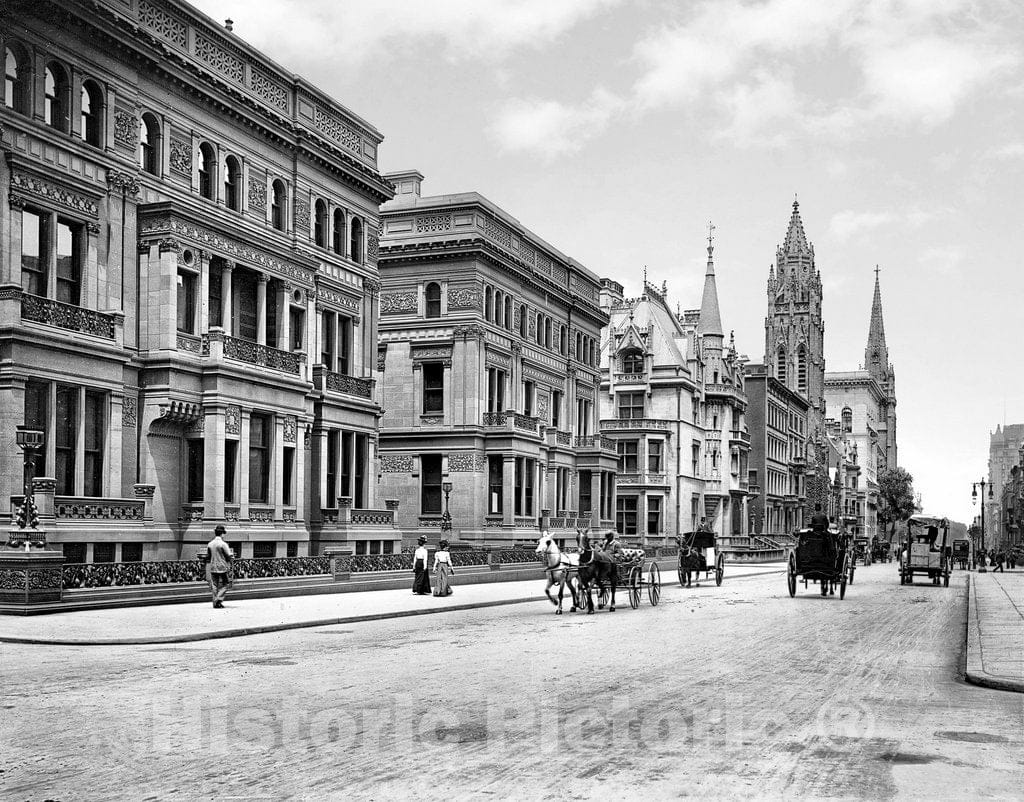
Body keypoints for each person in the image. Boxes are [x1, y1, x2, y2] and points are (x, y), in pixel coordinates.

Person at [203, 525, 234, 609]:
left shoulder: (210, 544)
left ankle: (215, 603)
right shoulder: (223, 544)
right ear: (222, 534)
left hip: (213, 566)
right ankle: (218, 599)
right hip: (222, 566)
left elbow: (208, 556)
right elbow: (229, 555)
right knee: (227, 584)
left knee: (214, 585)